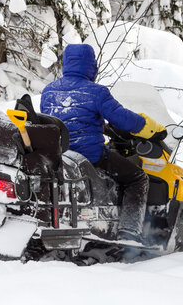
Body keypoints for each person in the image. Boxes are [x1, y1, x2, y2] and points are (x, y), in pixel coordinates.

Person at [40, 43, 165, 243]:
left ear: (66, 64)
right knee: (137, 178)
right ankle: (129, 232)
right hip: (90, 156)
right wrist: (149, 126)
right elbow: (122, 118)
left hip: (60, 156)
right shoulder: (96, 92)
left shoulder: (49, 91)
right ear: (91, 66)